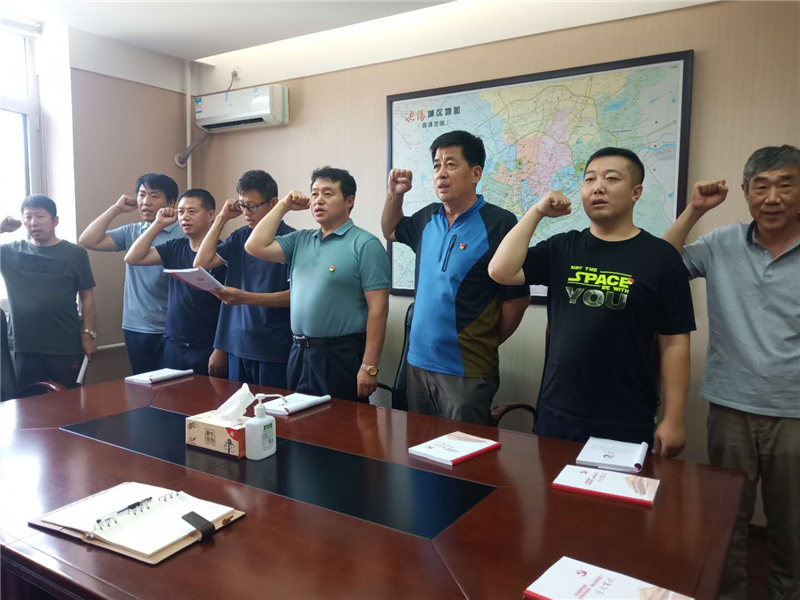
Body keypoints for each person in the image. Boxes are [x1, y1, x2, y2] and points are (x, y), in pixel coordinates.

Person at [489, 147, 695, 455]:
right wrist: (537, 212)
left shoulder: (661, 257)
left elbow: (675, 342)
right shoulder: (563, 247)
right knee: (550, 486)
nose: (598, 187)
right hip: (557, 412)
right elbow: (500, 270)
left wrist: (674, 419)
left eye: (611, 178)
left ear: (636, 192)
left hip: (626, 417)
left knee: (618, 489)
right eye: (589, 179)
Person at [663, 145, 800, 600]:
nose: (772, 197)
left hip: (794, 414)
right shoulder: (722, 243)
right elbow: (659, 265)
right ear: (745, 191)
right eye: (761, 186)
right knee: (726, 524)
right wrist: (695, 210)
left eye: (785, 185)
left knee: (792, 528)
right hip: (730, 408)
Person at [381, 130, 529, 425]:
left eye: (451, 164)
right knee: (419, 447)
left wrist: (483, 341)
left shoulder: (500, 223)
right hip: (417, 364)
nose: (441, 173)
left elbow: (517, 301)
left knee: (464, 448)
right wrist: (395, 195)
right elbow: (391, 229)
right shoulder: (427, 217)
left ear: (476, 173)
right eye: (437, 165)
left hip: (467, 371)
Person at [245, 167, 390, 402]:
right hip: (298, 351)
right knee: (297, 419)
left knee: (340, 422)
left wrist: (369, 366)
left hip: (340, 355)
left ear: (349, 201)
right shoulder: (301, 239)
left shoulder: (365, 244)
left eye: (327, 193)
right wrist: (283, 205)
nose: (318, 200)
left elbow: (379, 309)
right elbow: (254, 246)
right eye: (314, 194)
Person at [193, 170, 293, 387]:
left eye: (253, 206)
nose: (246, 213)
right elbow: (201, 263)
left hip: (273, 347)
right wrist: (222, 218)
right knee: (238, 407)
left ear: (274, 203)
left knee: (272, 406)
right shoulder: (240, 236)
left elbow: (295, 297)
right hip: (237, 344)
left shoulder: (290, 239)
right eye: (242, 205)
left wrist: (245, 297)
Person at [79, 173, 184, 374]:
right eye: (142, 195)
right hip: (135, 325)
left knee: (172, 387)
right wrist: (116, 209)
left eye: (154, 196)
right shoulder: (133, 231)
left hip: (171, 327)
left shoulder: (183, 233)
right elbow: (88, 240)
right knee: (141, 384)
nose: (146, 201)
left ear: (171, 203)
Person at [1, 195, 97, 395]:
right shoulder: (10, 252)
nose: (33, 223)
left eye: (40, 216)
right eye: (28, 217)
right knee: (27, 407)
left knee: (70, 403)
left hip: (65, 345)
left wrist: (88, 334)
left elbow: (87, 296)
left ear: (55, 221)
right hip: (25, 346)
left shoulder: (75, 253)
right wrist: (1, 228)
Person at [124, 189, 227, 376]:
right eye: (180, 212)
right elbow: (133, 258)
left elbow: (231, 307)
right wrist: (158, 224)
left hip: (208, 346)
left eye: (191, 211)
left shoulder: (223, 252)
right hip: (173, 343)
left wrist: (220, 348)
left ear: (211, 215)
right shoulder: (175, 247)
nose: (184, 217)